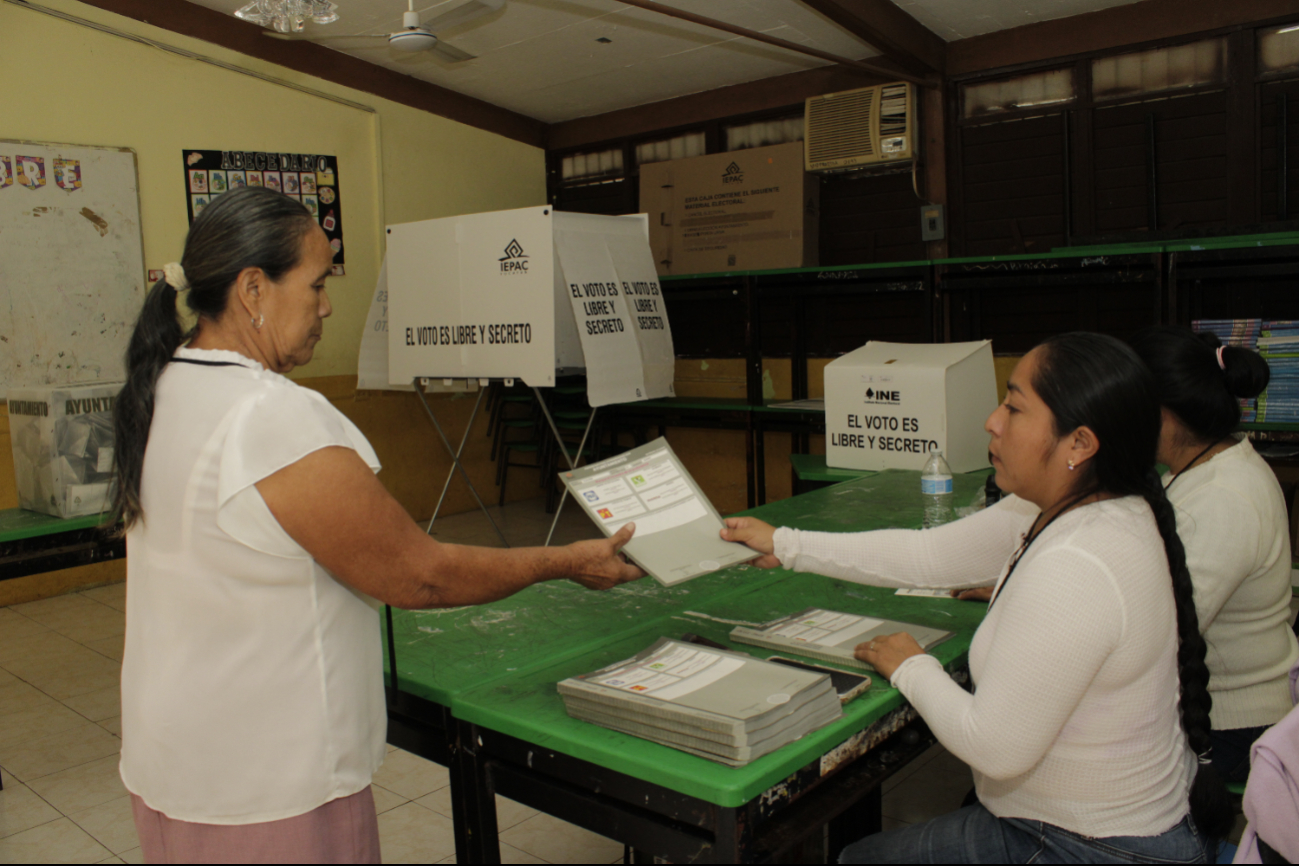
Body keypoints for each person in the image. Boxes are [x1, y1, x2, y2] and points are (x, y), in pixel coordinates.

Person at [113, 186, 644, 864]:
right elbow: (418, 577)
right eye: (315, 284)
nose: (327, 305)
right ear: (253, 289)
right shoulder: (271, 416)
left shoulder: (162, 387)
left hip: (176, 759)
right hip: (268, 780)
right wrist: (565, 561)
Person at [722, 332, 1228, 864]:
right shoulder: (1094, 504)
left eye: (1014, 406)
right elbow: (931, 556)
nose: (992, 420)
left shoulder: (1078, 562)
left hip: (1088, 845)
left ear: (1079, 444)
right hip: (1117, 823)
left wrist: (912, 667)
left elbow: (996, 747)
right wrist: (786, 543)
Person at [1129, 325, 1299, 785]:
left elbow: (1157, 635)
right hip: (1213, 705)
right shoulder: (1203, 467)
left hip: (1230, 722)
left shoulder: (1223, 497)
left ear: (1162, 414)